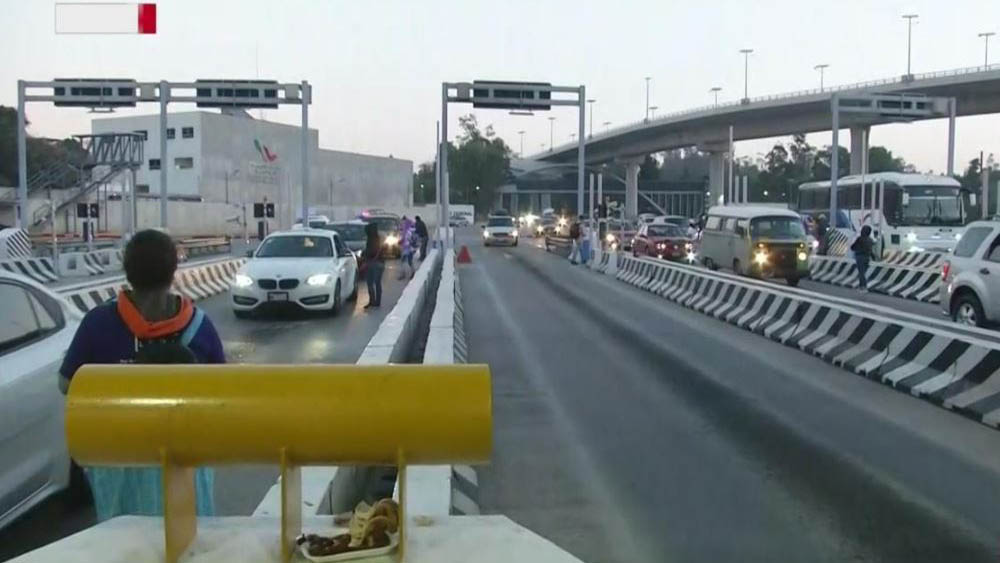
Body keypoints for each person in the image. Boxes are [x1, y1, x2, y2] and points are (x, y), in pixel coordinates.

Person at [58, 229, 223, 522]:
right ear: (173, 272)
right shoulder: (201, 327)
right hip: (184, 463)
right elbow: (222, 393)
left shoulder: (98, 323)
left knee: (127, 541)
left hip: (119, 464)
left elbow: (67, 384)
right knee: (188, 539)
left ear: (127, 272)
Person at [363, 222, 384, 309]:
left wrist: (365, 254)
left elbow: (373, 252)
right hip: (375, 263)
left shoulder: (374, 239)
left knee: (374, 282)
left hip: (375, 263)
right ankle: (374, 301)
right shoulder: (374, 238)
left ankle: (375, 301)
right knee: (372, 283)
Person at [851, 225, 876, 292]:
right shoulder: (870, 240)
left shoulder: (860, 238)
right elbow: (870, 250)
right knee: (863, 272)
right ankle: (861, 286)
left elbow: (853, 247)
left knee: (861, 273)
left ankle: (863, 287)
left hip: (860, 257)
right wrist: (873, 257)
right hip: (867, 257)